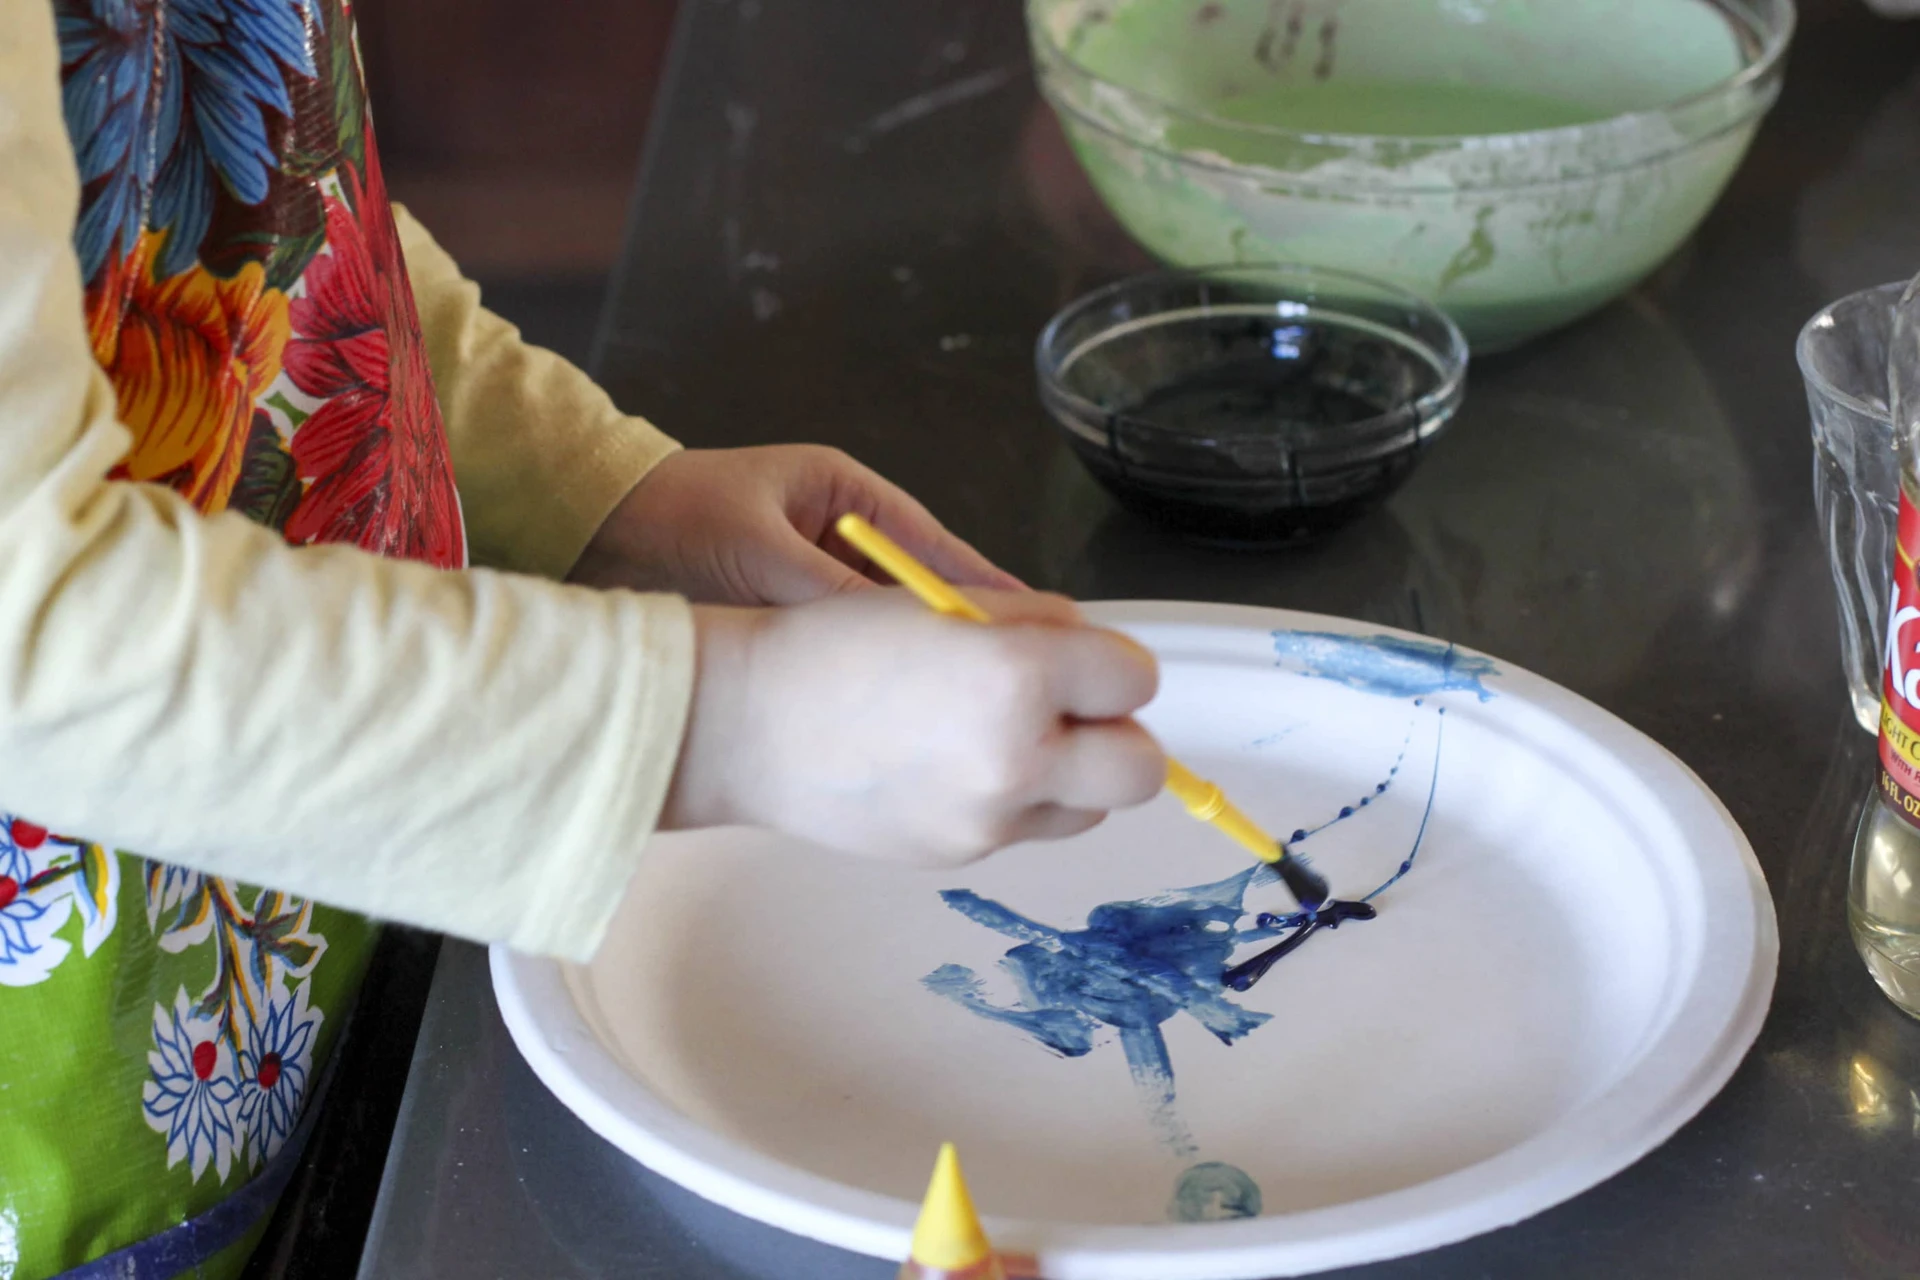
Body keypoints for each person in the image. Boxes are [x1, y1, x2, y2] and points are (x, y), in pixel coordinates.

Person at [0, 2, 1167, 1275]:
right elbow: (32, 629)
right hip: (85, 1127)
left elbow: (268, 201)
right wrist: (730, 723)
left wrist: (592, 492)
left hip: (341, 905)